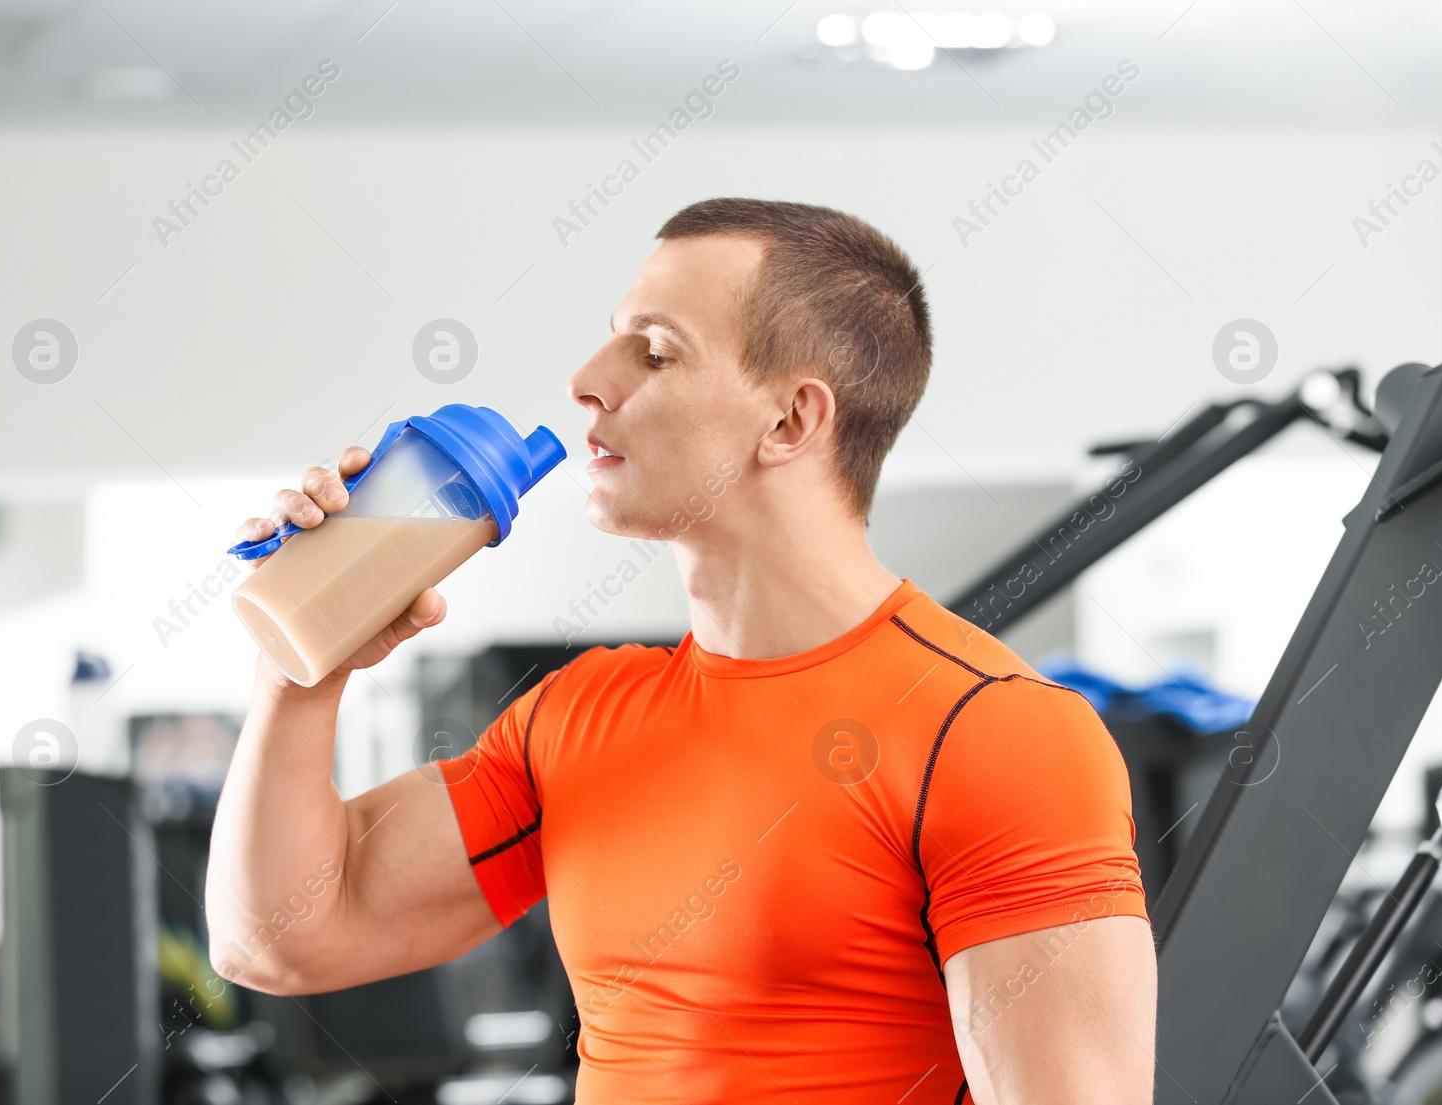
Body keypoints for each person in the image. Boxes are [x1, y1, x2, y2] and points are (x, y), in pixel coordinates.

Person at [206, 198, 1157, 1103]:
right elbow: (281, 941)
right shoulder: (582, 713)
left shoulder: (998, 733)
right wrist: (302, 670)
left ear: (790, 421)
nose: (587, 379)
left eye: (654, 353)